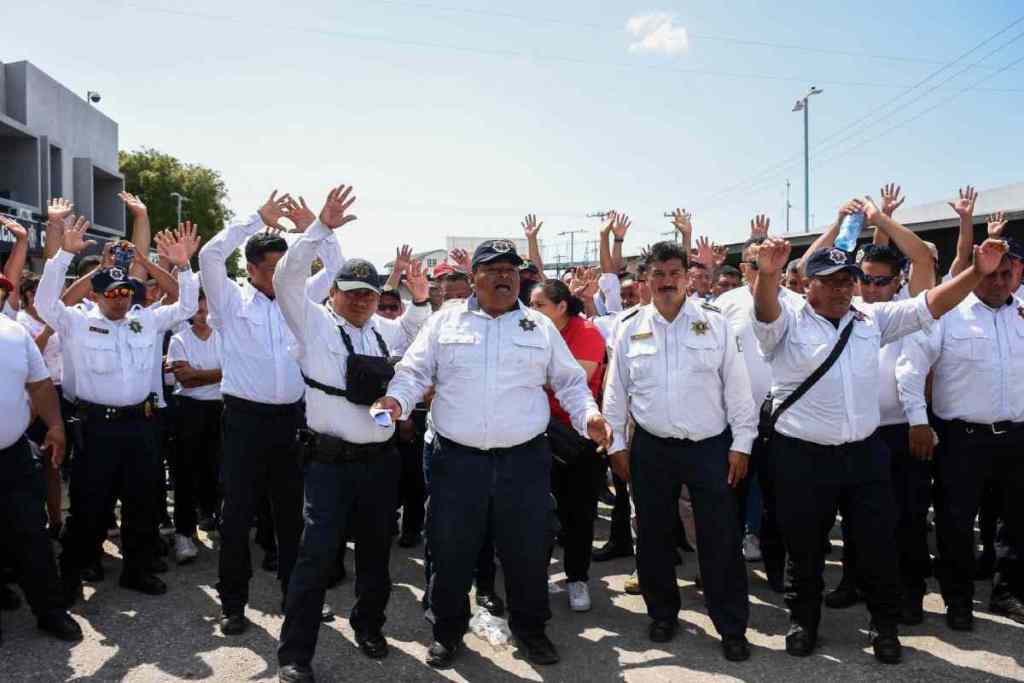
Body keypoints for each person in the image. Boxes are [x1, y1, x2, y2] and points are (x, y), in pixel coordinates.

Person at [751, 198, 1006, 664]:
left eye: (849, 279)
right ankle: (803, 621)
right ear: (810, 286)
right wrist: (768, 275)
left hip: (863, 456)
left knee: (877, 545)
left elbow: (931, 304)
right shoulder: (786, 322)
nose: (846, 288)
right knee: (804, 547)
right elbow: (765, 311)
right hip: (801, 455)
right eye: (833, 281)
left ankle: (885, 627)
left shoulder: (871, 321)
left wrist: (974, 273)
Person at [375, 239, 612, 668]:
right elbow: (413, 373)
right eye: (493, 269)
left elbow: (571, 384)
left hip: (523, 461)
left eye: (511, 269)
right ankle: (447, 631)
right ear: (473, 279)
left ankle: (531, 630)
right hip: (457, 460)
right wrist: (397, 402)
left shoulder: (538, 327)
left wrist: (589, 417)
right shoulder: (445, 322)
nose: (505, 276)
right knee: (451, 549)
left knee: (526, 550)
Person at [273, 186, 431, 682]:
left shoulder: (383, 331)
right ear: (334, 291)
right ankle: (296, 655)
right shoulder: (312, 323)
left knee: (375, 559)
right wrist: (319, 229)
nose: (362, 301)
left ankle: (370, 627)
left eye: (369, 294)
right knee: (314, 560)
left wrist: (420, 296)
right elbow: (286, 277)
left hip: (379, 464)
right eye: (352, 292)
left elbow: (415, 328)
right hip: (328, 465)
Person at [603, 240, 757, 662]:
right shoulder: (628, 325)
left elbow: (738, 387)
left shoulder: (715, 323)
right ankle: (662, 613)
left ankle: (730, 625)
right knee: (652, 535)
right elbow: (614, 391)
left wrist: (742, 443)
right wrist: (615, 444)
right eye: (658, 274)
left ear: (686, 277)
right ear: (646, 280)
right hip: (651, 447)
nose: (667, 281)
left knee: (719, 539)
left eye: (674, 273)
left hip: (710, 446)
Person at [36, 217, 199, 605]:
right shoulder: (75, 323)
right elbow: (45, 303)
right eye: (112, 293)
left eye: (127, 292)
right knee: (90, 505)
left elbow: (188, 304)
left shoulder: (145, 321)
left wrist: (172, 263)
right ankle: (72, 575)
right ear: (95, 295)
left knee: (143, 501)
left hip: (141, 426)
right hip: (96, 428)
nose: (121, 298)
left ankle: (137, 570)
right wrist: (64, 256)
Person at [198, 191, 339, 635]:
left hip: (291, 422)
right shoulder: (229, 301)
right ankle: (233, 604)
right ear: (252, 268)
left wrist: (317, 229)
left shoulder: (300, 296)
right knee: (237, 515)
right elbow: (209, 253)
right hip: (243, 420)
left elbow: (334, 269)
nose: (281, 275)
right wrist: (254, 219)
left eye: (285, 266)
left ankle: (295, 599)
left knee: (292, 515)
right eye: (271, 268)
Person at [824, 185, 937, 624]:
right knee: (855, 516)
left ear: (898, 281)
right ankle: (854, 580)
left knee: (908, 517)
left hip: (903, 429)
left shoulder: (912, 310)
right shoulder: (845, 309)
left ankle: (911, 593)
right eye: (864, 279)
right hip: (857, 432)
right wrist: (846, 223)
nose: (870, 288)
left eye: (880, 280)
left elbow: (924, 259)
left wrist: (880, 219)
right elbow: (829, 258)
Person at [898, 243, 1024, 628]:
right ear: (976, 272)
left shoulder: (1020, 314)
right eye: (991, 274)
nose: (1000, 282)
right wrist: (919, 422)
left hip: (1017, 437)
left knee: (1017, 522)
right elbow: (910, 368)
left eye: (1007, 275)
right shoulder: (948, 314)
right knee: (956, 523)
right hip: (962, 439)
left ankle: (1007, 593)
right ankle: (958, 601)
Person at [716, 217, 805, 593]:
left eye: (774, 262)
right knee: (726, 503)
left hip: (780, 425)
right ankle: (725, 572)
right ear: (744, 269)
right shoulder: (724, 305)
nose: (767, 269)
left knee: (778, 503)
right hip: (732, 422)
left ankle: (778, 572)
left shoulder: (799, 305)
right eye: (758, 263)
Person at [0, 275, 82, 645]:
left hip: (12, 455)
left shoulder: (14, 334)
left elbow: (40, 385)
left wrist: (55, 426)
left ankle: (50, 611)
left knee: (31, 535)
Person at [530, 279, 607, 612]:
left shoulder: (587, 333)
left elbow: (574, 377)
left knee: (578, 514)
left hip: (579, 437)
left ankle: (577, 579)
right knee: (537, 513)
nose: (532, 312)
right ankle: (538, 575)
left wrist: (529, 373)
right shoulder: (533, 331)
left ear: (561, 306)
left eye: (539, 305)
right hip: (538, 433)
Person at [166, 290, 224, 561]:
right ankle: (183, 534)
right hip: (189, 412)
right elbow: (185, 380)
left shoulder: (225, 336)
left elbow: (236, 370)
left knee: (219, 472)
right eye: (199, 312)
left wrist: (199, 374)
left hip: (221, 410)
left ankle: (217, 519)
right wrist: (221, 373)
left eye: (208, 312)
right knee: (185, 475)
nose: (204, 317)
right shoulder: (179, 340)